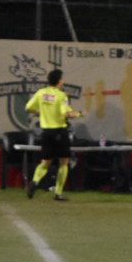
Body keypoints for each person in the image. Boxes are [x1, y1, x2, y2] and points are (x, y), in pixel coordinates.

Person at [25, 69, 82, 201]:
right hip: (60, 132)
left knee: (45, 162)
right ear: (59, 81)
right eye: (62, 79)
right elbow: (66, 114)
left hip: (46, 133)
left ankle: (35, 182)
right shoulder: (61, 96)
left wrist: (41, 113)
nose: (63, 81)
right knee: (64, 162)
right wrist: (79, 113)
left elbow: (28, 107)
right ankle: (58, 193)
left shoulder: (41, 93)